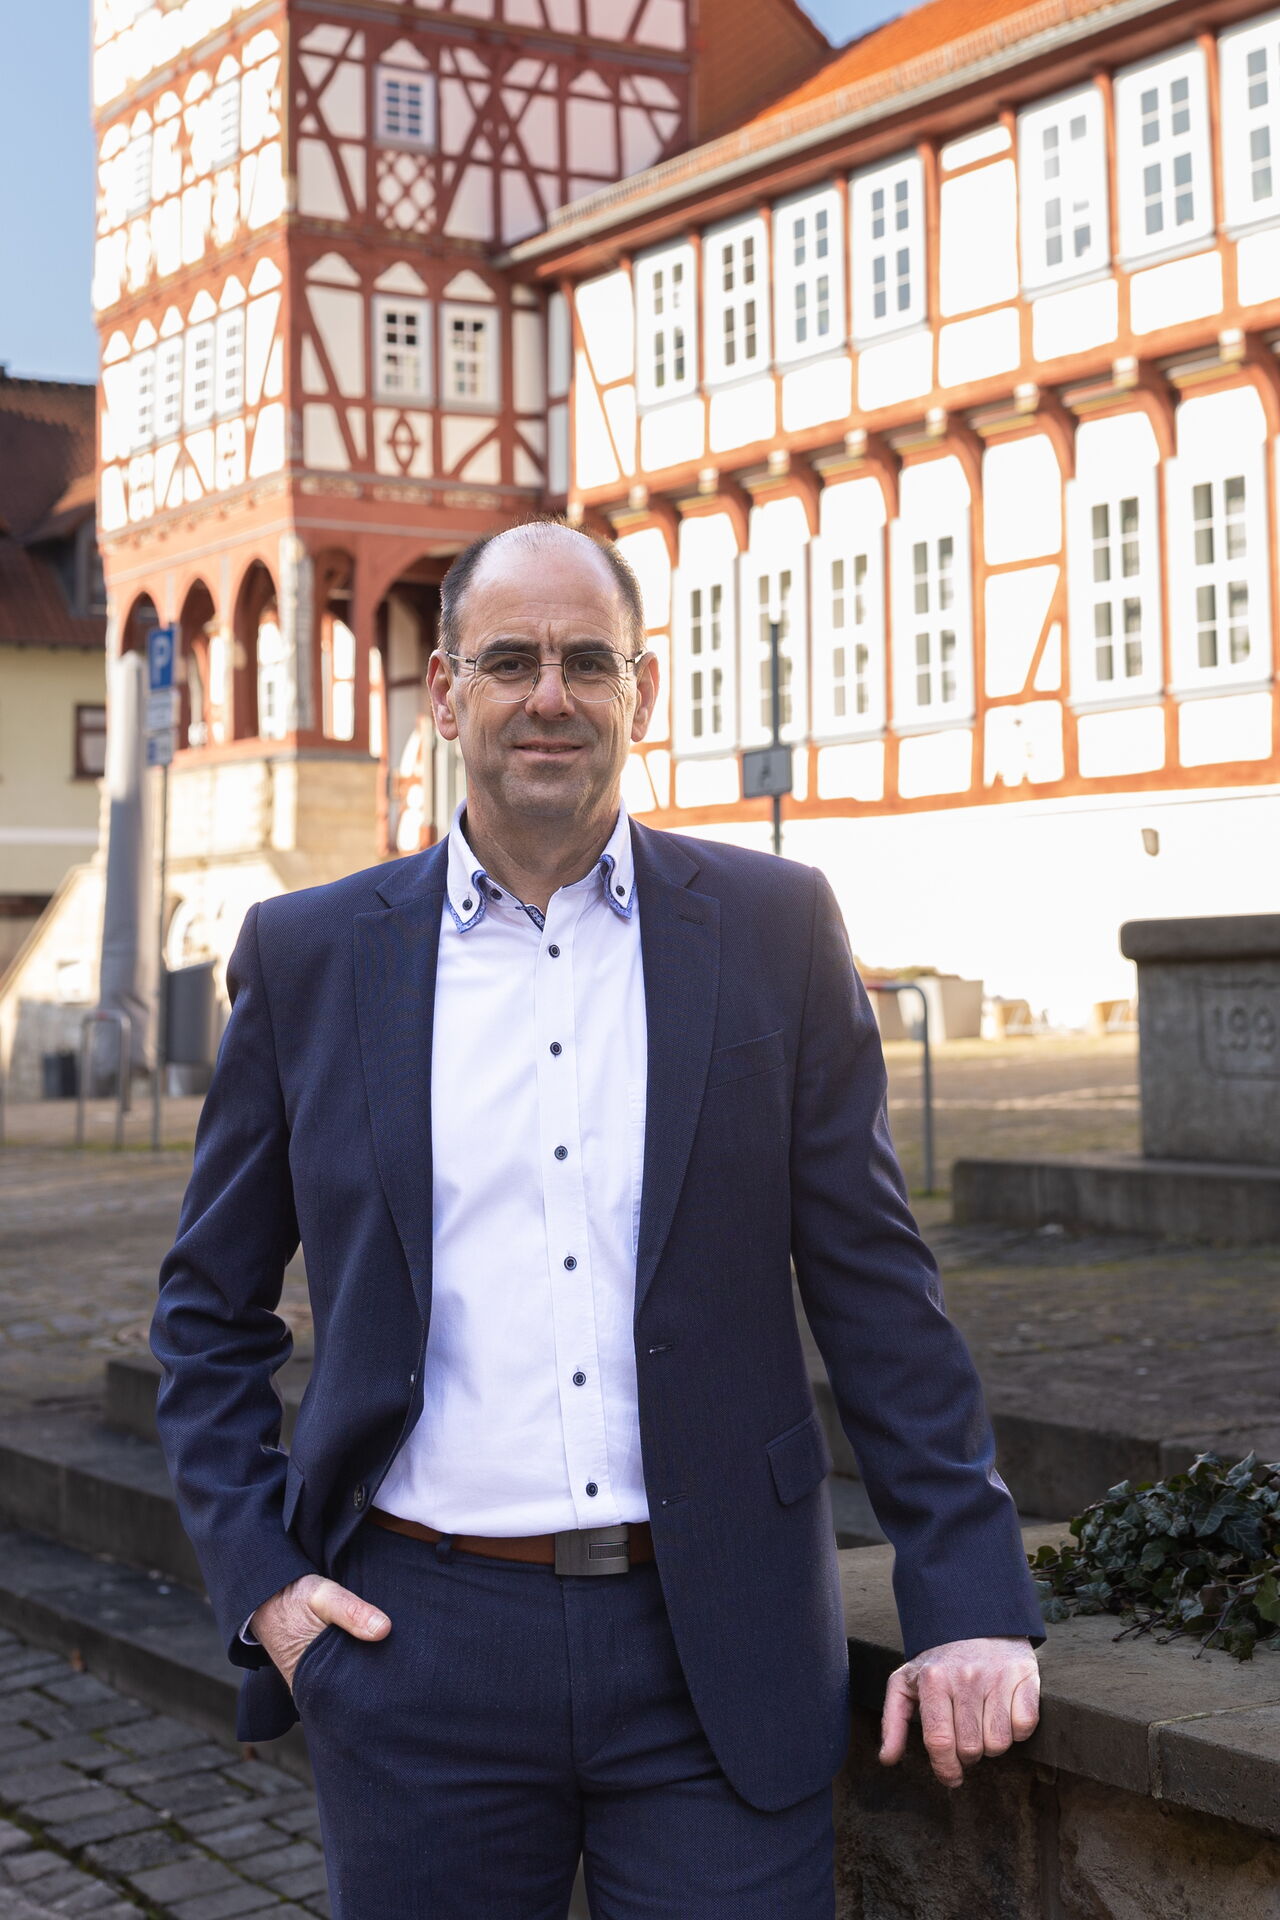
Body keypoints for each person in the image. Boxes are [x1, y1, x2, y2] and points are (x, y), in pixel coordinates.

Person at [152, 519, 1044, 1920]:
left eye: (586, 661)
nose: (549, 695)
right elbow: (206, 1315)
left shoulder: (773, 927)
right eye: (510, 661)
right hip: (417, 1644)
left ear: (644, 688)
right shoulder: (313, 957)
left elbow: (879, 1291)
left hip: (717, 1648)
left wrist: (973, 1593)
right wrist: (268, 1588)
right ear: (445, 694)